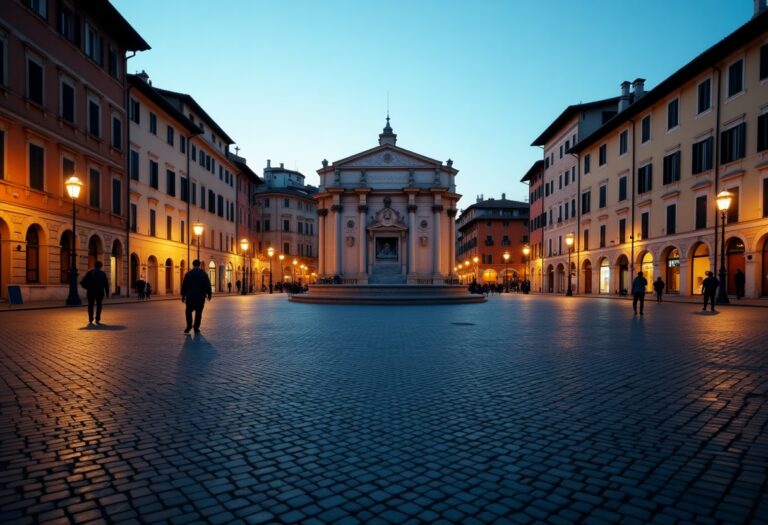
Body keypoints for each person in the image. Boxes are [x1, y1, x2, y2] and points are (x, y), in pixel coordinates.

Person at [181, 259, 212, 334]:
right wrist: (209, 294)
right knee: (198, 313)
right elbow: (208, 285)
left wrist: (183, 295)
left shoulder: (188, 274)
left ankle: (189, 325)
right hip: (200, 297)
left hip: (190, 297)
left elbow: (184, 285)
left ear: (193, 265)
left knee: (188, 311)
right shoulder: (204, 274)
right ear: (199, 265)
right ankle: (196, 327)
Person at [80, 260, 109, 325]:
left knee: (90, 305)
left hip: (91, 292)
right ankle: (97, 319)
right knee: (99, 305)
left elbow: (82, 282)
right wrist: (107, 293)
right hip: (99, 292)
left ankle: (90, 319)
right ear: (101, 266)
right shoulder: (102, 273)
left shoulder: (90, 272)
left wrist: (87, 288)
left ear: (94, 265)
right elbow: (106, 284)